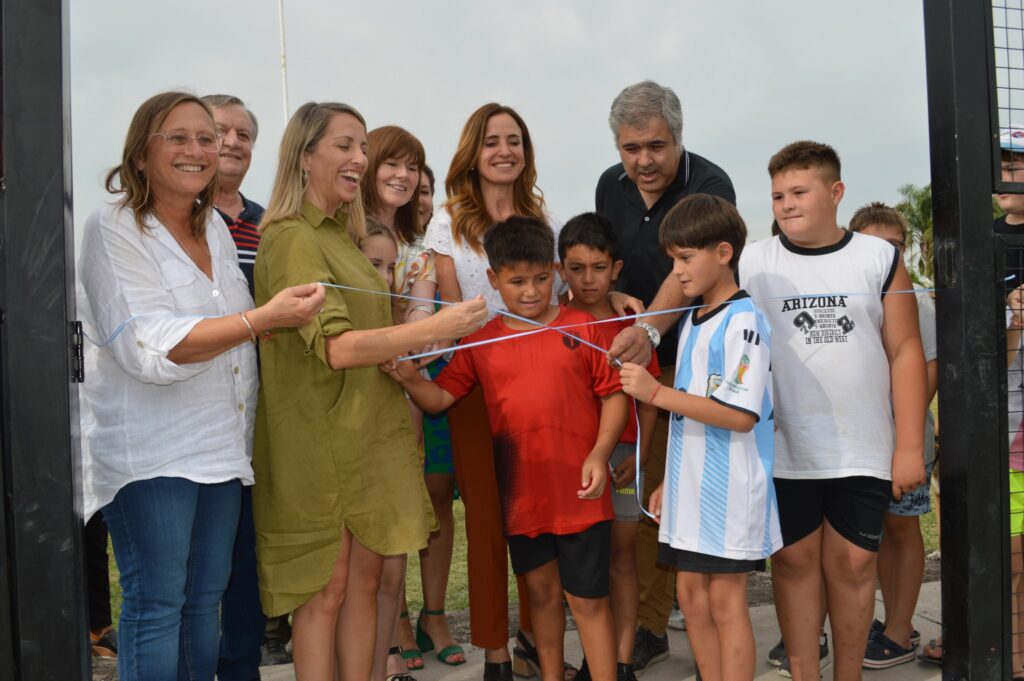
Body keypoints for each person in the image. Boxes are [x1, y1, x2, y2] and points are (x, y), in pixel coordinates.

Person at [77, 91, 327, 681]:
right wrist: (262, 320)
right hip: (153, 451)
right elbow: (149, 346)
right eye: (179, 137)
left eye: (206, 139)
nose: (197, 150)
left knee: (201, 605)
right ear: (141, 153)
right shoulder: (113, 228)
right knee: (158, 606)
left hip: (221, 448)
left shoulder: (214, 226)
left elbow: (235, 337)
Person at [252, 101, 486, 681]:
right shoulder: (289, 237)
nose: (359, 158)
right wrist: (436, 327)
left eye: (362, 147)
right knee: (324, 593)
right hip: (319, 444)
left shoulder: (342, 234)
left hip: (364, 439)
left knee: (361, 584)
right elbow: (333, 346)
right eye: (344, 146)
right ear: (304, 157)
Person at [383, 216, 628, 681]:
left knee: (589, 601)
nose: (531, 291)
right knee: (540, 596)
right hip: (522, 497)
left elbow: (614, 394)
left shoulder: (585, 329)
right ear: (494, 279)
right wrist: (410, 377)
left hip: (581, 494)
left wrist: (599, 452)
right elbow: (439, 400)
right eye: (516, 281)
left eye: (540, 278)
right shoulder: (480, 343)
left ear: (555, 272)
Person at [742, 141, 925, 681]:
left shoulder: (878, 257)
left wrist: (909, 445)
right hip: (785, 448)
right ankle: (805, 674)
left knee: (853, 566)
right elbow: (690, 287)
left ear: (835, 192)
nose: (786, 204)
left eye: (799, 191)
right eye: (777, 195)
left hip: (862, 446)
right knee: (795, 563)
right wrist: (643, 320)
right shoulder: (754, 260)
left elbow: (906, 349)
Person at [595, 80, 735, 674]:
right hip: (632, 367)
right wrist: (614, 291)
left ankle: (678, 624)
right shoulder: (609, 186)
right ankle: (653, 624)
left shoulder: (710, 184)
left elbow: (688, 273)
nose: (644, 161)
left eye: (656, 145)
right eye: (631, 148)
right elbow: (608, 260)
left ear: (679, 138)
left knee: (689, 493)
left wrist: (649, 329)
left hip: (695, 363)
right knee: (642, 496)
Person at [422, 102, 564, 679]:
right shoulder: (447, 222)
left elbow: (557, 302)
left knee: (539, 520)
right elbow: (458, 314)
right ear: (472, 153)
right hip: (478, 382)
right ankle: (496, 653)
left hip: (541, 384)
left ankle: (536, 641)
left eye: (514, 140)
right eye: (491, 142)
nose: (504, 151)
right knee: (486, 520)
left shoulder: (541, 216)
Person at [620, 193, 782, 681]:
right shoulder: (690, 319)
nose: (678, 271)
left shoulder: (745, 320)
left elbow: (738, 415)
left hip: (730, 490)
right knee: (690, 596)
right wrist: (672, 481)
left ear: (724, 253)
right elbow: (690, 414)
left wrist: (654, 392)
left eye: (686, 258)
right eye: (672, 259)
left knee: (725, 601)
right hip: (690, 490)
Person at [202, 92, 294, 678]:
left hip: (261, 411)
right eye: (219, 131)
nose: (232, 143)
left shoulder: (271, 224)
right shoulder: (169, 221)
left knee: (244, 559)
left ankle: (243, 665)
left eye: (243, 134)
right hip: (197, 408)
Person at [557, 213, 658, 681]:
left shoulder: (632, 321)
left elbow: (651, 399)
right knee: (582, 566)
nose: (588, 279)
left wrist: (638, 457)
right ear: (561, 271)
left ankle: (621, 662)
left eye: (598, 268)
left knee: (621, 558)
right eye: (577, 268)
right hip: (573, 460)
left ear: (616, 268)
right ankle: (590, 661)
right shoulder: (551, 318)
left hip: (622, 458)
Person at [848, 203, 936, 670]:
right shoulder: (851, 296)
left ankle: (900, 631)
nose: (885, 255)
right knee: (879, 532)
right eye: (873, 245)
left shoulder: (916, 303)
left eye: (895, 247)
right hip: (862, 439)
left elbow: (927, 375)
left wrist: (906, 441)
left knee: (903, 529)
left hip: (904, 439)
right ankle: (893, 617)